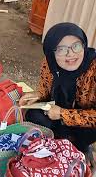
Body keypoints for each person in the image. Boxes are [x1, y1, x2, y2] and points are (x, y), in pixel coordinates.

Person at [19, 23, 96, 154]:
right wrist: (38, 95)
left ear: (84, 45)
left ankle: (79, 147)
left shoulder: (93, 69)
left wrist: (62, 114)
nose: (70, 54)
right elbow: (46, 89)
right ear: (51, 52)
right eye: (61, 49)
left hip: (82, 122)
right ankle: (61, 142)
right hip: (55, 113)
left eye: (76, 46)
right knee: (33, 115)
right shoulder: (49, 63)